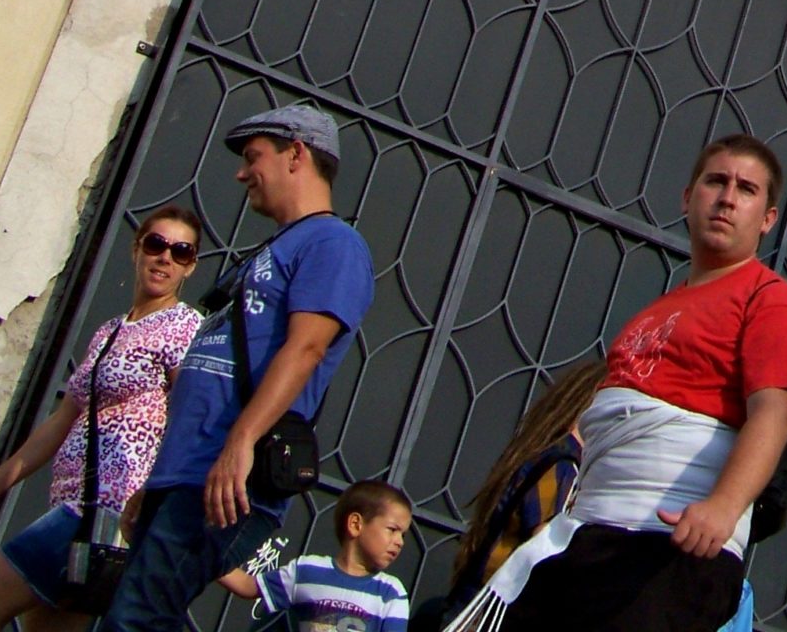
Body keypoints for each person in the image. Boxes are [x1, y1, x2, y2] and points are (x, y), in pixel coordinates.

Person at [461, 134, 787, 632]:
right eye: (715, 182)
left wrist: (723, 507)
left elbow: (775, 416)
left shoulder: (776, 303)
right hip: (591, 537)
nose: (727, 198)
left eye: (746, 189)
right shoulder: (654, 312)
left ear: (767, 219)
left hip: (670, 547)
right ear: (687, 197)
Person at [98, 105, 375, 632]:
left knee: (135, 620)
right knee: (142, 615)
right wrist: (156, 482)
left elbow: (306, 349)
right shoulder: (276, 247)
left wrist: (241, 442)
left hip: (227, 478)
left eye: (253, 157)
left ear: (296, 154)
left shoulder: (333, 244)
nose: (242, 173)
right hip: (188, 474)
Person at [0, 205, 209, 632]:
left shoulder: (184, 326)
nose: (165, 258)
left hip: (107, 507)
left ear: (190, 267)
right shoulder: (110, 330)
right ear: (136, 248)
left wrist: (156, 496)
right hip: (73, 504)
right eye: (156, 244)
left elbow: (190, 417)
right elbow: (63, 418)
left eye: (181, 252)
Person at [427, 355, 605, 626]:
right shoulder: (563, 464)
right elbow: (545, 543)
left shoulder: (541, 451)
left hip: (475, 603)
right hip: (494, 614)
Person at [219, 478, 411, 632]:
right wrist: (207, 558)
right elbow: (248, 586)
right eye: (392, 530)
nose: (400, 542)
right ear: (355, 525)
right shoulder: (306, 570)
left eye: (403, 535)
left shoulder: (391, 593)